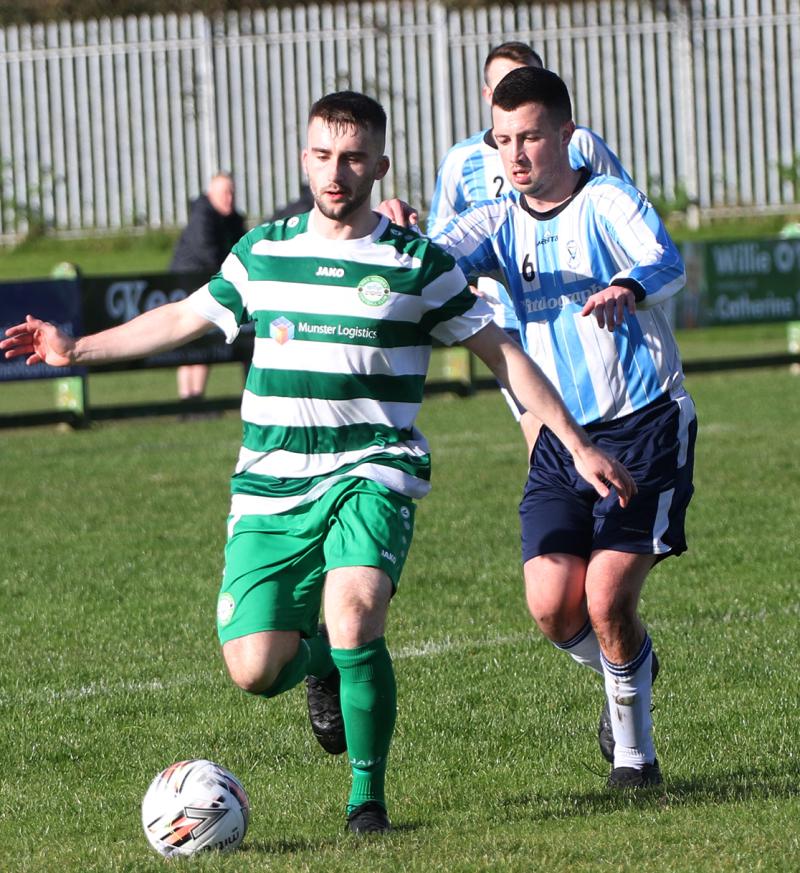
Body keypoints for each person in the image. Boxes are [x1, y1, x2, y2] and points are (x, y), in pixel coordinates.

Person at [2, 90, 635, 832]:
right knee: (254, 668)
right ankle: (325, 664)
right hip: (270, 488)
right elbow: (182, 318)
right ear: (305, 158)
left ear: (380, 164)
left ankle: (367, 802)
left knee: (356, 611)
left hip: (372, 472)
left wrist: (576, 440)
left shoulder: (416, 266)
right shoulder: (264, 252)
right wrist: (76, 349)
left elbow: (502, 353)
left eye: (355, 157)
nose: (338, 172)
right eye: (324, 156)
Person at [422, 66, 697, 789]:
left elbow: (666, 260)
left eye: (531, 137)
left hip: (644, 422)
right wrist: (400, 236)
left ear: (567, 137)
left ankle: (635, 761)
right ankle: (627, 664)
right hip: (562, 437)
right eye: (504, 140)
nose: (515, 155)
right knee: (551, 606)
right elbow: (433, 260)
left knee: (607, 598)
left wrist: (627, 287)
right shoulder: (497, 216)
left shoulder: (605, 198)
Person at [428, 42, 634, 456]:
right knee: (539, 433)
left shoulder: (583, 145)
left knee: (600, 432)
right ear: (489, 96)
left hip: (584, 310)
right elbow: (442, 234)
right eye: (506, 84)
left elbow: (624, 210)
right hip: (507, 318)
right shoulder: (460, 161)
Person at [170, 172, 246, 405]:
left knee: (204, 341)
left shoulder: (233, 219)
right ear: (211, 194)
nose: (229, 198)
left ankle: (195, 400)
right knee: (193, 341)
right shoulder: (203, 217)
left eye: (232, 192)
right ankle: (189, 399)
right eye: (224, 192)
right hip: (188, 284)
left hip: (209, 283)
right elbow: (209, 253)